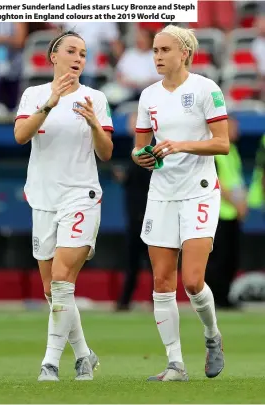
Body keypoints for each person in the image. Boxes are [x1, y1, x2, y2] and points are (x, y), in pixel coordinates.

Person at [14, 30, 114, 381]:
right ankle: (84, 354)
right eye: (71, 50)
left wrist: (93, 124)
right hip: (43, 198)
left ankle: (50, 363)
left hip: (80, 197)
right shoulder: (34, 95)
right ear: (53, 57)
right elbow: (21, 136)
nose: (78, 58)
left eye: (83, 53)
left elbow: (106, 152)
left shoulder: (95, 98)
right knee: (51, 290)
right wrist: (49, 103)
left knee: (61, 280)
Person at [132, 24, 229, 382]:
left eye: (164, 50)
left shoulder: (206, 89)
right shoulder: (148, 96)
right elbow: (140, 145)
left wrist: (179, 144)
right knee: (161, 280)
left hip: (200, 189)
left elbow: (222, 144)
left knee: (191, 281)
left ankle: (211, 336)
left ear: (184, 53)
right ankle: (175, 364)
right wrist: (141, 156)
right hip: (162, 192)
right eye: (155, 50)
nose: (157, 56)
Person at [206, 117, 247, 309]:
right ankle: (215, 297)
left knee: (232, 257)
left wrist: (243, 203)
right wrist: (236, 203)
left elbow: (236, 180)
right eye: (233, 127)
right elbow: (218, 183)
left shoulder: (233, 152)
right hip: (219, 213)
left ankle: (225, 296)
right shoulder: (215, 152)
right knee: (219, 258)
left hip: (233, 213)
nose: (237, 130)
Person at [114, 112, 151, 311]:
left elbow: (145, 181)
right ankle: (125, 300)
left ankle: (157, 299)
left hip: (145, 212)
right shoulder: (131, 148)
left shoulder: (147, 149)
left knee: (151, 259)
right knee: (132, 260)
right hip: (134, 212)